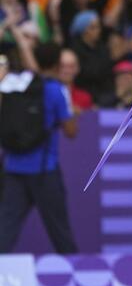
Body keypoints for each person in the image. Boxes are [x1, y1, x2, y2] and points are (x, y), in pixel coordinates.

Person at [0, 41, 78, 253]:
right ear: (56, 64)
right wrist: (69, 111)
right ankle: (76, 280)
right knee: (60, 232)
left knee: (5, 232)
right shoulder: (56, 90)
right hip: (44, 171)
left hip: (13, 168)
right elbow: (71, 132)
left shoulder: (15, 85)